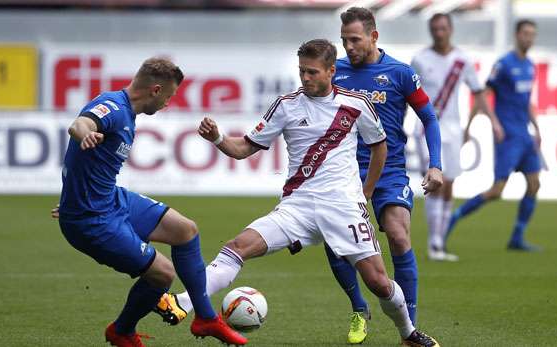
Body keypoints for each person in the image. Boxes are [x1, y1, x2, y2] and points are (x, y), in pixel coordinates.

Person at [156, 39, 440, 347]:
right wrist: (218, 137)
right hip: (297, 207)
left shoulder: (356, 105)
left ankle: (408, 334)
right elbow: (243, 149)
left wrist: (365, 192)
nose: (305, 78)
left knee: (379, 283)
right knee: (237, 246)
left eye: (312, 72)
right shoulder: (287, 105)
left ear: (331, 71)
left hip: (342, 206)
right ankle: (182, 303)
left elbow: (379, 147)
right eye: (302, 71)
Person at [56, 57, 247, 347]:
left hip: (109, 199)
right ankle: (122, 331)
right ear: (156, 90)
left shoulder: (128, 112)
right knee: (163, 274)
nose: (168, 103)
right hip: (91, 219)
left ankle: (206, 319)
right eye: (169, 96)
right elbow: (79, 124)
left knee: (185, 230)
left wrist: (72, 197)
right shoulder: (114, 107)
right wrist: (86, 134)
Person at [312, 7, 444, 344]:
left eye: (354, 39)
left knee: (399, 236)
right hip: (341, 172)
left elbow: (429, 117)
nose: (349, 47)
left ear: (374, 36)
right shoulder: (334, 72)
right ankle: (359, 307)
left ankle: (409, 331)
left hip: (389, 168)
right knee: (337, 244)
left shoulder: (400, 73)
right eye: (344, 41)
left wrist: (435, 164)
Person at [411, 13, 504, 261]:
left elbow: (478, 91)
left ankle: (440, 243)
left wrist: (492, 121)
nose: (439, 33)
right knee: (434, 182)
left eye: (443, 28)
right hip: (426, 128)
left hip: (453, 128)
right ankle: (434, 243)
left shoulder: (462, 60)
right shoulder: (420, 59)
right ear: (431, 31)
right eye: (435, 29)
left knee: (450, 183)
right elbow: (406, 94)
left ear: (450, 29)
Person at [446, 19, 542, 252]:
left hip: (525, 135)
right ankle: (453, 218)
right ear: (517, 35)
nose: (529, 38)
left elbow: (527, 101)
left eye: (532, 34)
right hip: (507, 136)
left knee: (534, 183)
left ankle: (517, 237)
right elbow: (483, 95)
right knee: (497, 191)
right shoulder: (504, 65)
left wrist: (537, 128)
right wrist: (471, 126)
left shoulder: (530, 65)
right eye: (526, 34)